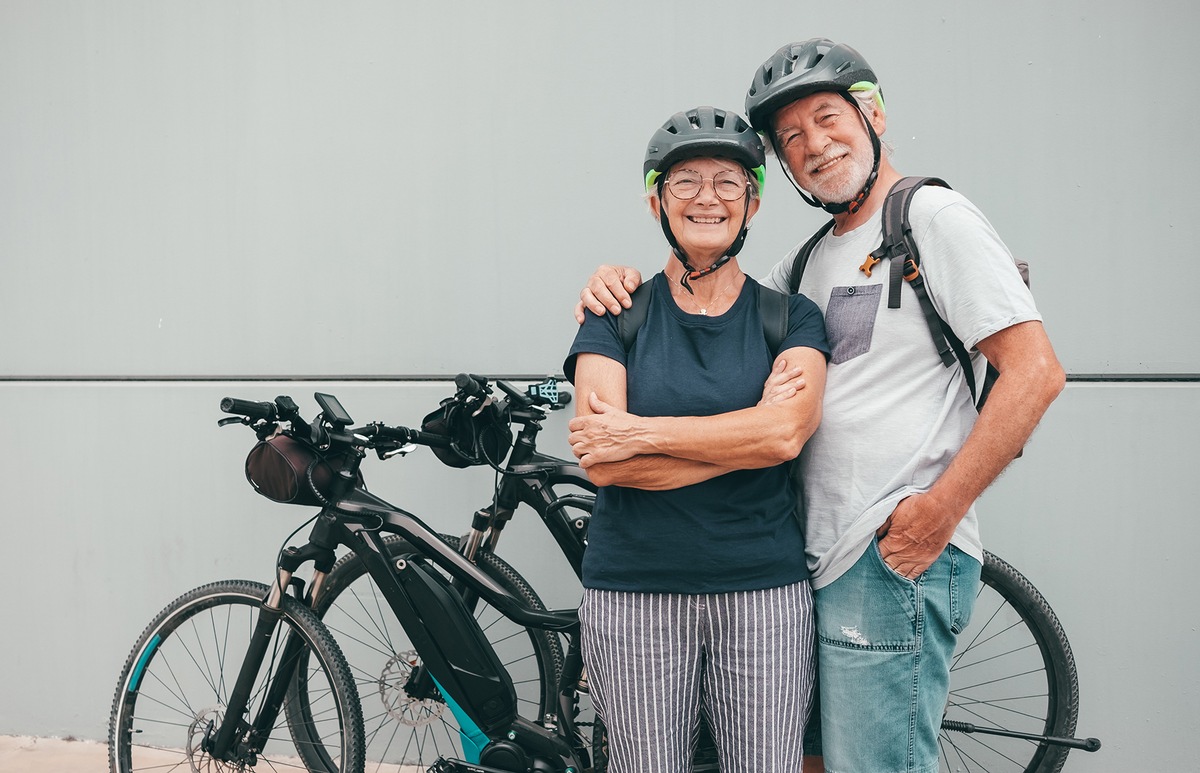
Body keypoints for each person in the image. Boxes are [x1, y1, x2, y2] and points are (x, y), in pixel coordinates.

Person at [571, 39, 1066, 773]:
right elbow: (706, 299)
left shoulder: (931, 217)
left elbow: (1036, 373)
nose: (814, 146)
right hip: (822, 558)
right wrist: (616, 279)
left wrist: (938, 511)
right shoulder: (809, 262)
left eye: (828, 119)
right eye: (792, 136)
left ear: (874, 115)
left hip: (890, 550)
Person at [564, 105, 830, 772]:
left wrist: (642, 434)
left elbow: (784, 436)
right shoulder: (614, 314)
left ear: (754, 203)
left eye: (728, 182)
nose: (707, 198)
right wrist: (740, 439)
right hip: (633, 596)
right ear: (657, 198)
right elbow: (600, 457)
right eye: (685, 181)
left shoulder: (790, 317)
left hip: (763, 594)